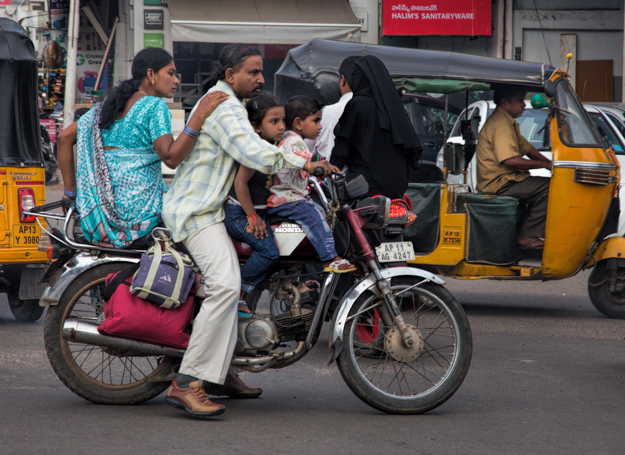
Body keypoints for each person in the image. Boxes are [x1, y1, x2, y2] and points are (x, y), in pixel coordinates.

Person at [161, 44, 332, 418]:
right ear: (230, 75)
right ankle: (187, 382)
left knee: (234, 282)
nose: (260, 79)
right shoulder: (223, 105)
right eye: (253, 72)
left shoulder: (229, 105)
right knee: (226, 286)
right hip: (196, 213)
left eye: (261, 72)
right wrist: (307, 162)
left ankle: (220, 373)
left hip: (211, 211)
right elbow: (252, 151)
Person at [56, 47, 227, 248]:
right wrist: (198, 115)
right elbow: (171, 158)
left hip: (100, 213)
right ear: (151, 75)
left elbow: (64, 138)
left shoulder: (105, 108)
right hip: (137, 212)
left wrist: (71, 194)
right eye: (171, 73)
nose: (177, 81)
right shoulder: (154, 106)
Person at [267, 95, 355, 273]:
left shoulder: (294, 141)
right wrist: (323, 166)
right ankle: (330, 257)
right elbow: (305, 158)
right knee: (314, 215)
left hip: (294, 197)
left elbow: (307, 157)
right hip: (287, 199)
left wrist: (325, 165)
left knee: (321, 211)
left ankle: (308, 258)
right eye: (316, 121)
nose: (320, 126)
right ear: (298, 123)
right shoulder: (291, 140)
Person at [224, 94, 284, 317]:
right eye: (274, 121)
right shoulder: (255, 149)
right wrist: (251, 215)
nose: (281, 126)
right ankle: (238, 293)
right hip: (239, 213)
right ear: (256, 127)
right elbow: (240, 183)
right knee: (269, 252)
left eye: (282, 120)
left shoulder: (271, 147)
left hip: (256, 212)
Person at [331, 55, 422, 199]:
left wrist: (330, 169)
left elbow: (341, 148)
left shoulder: (357, 104)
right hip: (398, 188)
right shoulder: (394, 108)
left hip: (365, 187)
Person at [474, 84, 552, 249]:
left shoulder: (507, 122)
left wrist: (552, 164)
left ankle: (522, 231)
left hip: (508, 181)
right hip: (499, 184)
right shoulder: (501, 124)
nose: (524, 104)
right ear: (504, 103)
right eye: (519, 100)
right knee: (551, 188)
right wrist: (545, 164)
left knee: (544, 185)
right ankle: (527, 235)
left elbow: (528, 148)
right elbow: (510, 160)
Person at [305, 55, 360, 161]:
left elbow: (305, 151)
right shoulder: (379, 111)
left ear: (342, 80)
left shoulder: (326, 113)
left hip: (326, 174)